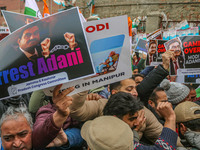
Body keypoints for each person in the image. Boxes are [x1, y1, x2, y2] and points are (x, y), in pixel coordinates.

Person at [81, 93, 178, 150]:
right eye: (131, 119)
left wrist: (134, 132)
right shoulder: (118, 144)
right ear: (115, 119)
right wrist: (170, 118)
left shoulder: (96, 135)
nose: (137, 122)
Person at [32, 85, 84, 149]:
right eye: (61, 93)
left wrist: (69, 138)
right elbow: (38, 135)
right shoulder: (46, 110)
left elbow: (85, 132)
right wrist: (58, 117)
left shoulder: (82, 106)